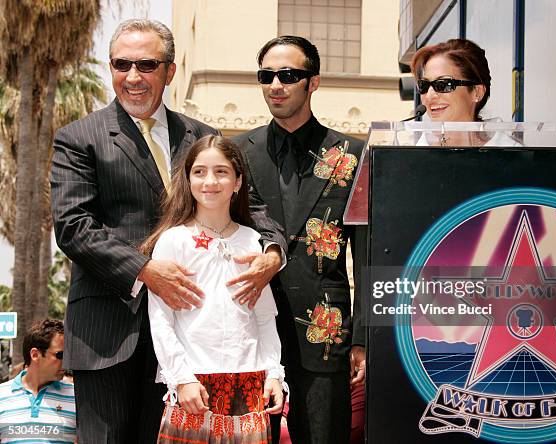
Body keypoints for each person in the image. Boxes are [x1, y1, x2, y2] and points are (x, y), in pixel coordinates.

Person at [51, 19, 284, 443]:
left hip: (195, 345)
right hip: (109, 331)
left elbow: (255, 210)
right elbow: (73, 226)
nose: (134, 77)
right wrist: (145, 270)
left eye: (147, 64)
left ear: (170, 71)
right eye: (122, 64)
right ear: (111, 68)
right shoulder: (79, 138)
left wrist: (272, 253)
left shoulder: (205, 136)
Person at [233, 36, 366, 444]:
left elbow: (364, 253)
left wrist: (361, 337)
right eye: (266, 75)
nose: (276, 84)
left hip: (324, 332)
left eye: (288, 75)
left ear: (313, 82)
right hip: (250, 328)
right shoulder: (238, 152)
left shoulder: (353, 154)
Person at [141, 135, 284, 442]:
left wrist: (274, 373)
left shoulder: (252, 241)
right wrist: (181, 379)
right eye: (200, 172)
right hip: (194, 387)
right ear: (188, 180)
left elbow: (264, 318)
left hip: (250, 387)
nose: (210, 181)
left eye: (221, 171)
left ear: (237, 182)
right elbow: (161, 320)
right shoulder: (172, 240)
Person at [411, 38, 521, 146]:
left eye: (443, 84)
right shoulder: (415, 155)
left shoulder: (511, 155)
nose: (429, 96)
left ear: (477, 92)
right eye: (423, 85)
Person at [0, 319, 76, 443]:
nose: (66, 362)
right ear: (35, 355)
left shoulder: (76, 397)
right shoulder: (1, 395)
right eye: (60, 355)